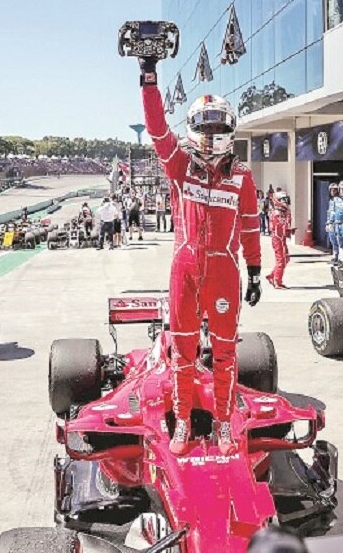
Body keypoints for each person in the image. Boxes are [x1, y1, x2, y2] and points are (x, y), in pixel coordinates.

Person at [138, 54, 261, 456]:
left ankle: (224, 424)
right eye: (203, 125)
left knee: (226, 353)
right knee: (183, 352)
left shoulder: (242, 176)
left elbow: (249, 228)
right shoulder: (178, 166)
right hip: (184, 272)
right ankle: (183, 424)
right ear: (192, 129)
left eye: (216, 125)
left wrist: (256, 271)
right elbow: (156, 129)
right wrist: (149, 77)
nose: (210, 133)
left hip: (225, 274)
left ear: (229, 129)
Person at [267, 190, 292, 289]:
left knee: (286, 258)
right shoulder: (277, 213)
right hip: (277, 239)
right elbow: (281, 226)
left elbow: (285, 226)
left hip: (281, 238)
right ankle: (277, 281)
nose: (286, 202)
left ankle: (272, 276)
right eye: (283, 200)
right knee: (281, 260)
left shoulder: (282, 212)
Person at [327, 182, 343, 264]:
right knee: (338, 242)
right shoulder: (336, 200)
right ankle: (342, 258)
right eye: (341, 189)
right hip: (336, 224)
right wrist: (330, 222)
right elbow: (332, 212)